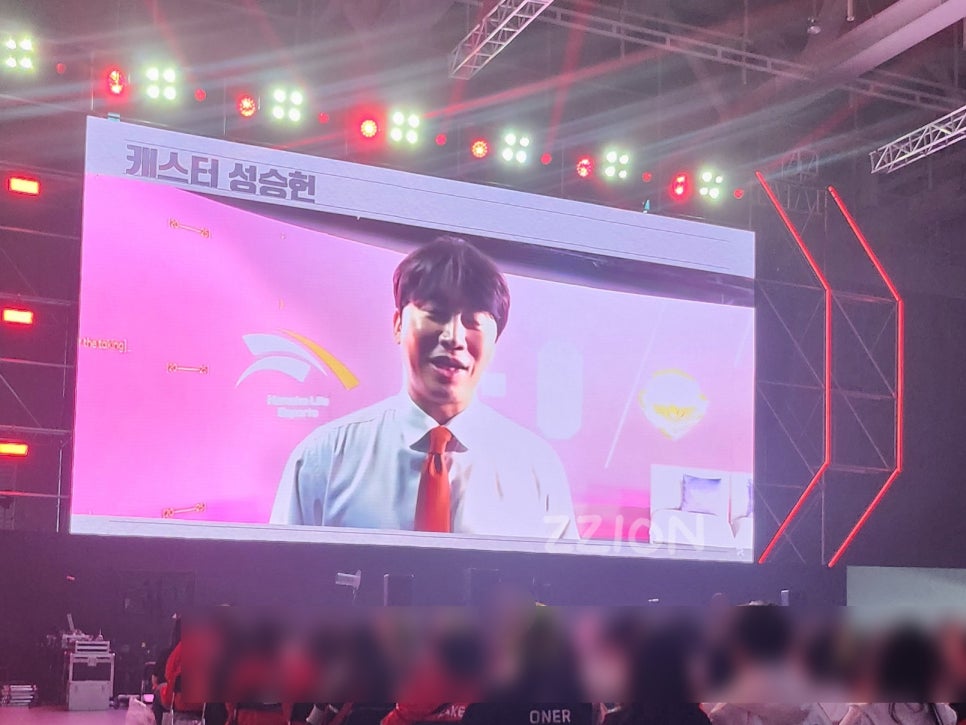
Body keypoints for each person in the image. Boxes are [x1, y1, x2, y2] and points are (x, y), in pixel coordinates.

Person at [271, 236, 578, 540]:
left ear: (494, 340)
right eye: (436, 314)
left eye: (473, 322)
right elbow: (283, 569)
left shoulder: (536, 467)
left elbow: (564, 573)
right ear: (398, 324)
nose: (454, 337)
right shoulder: (324, 458)